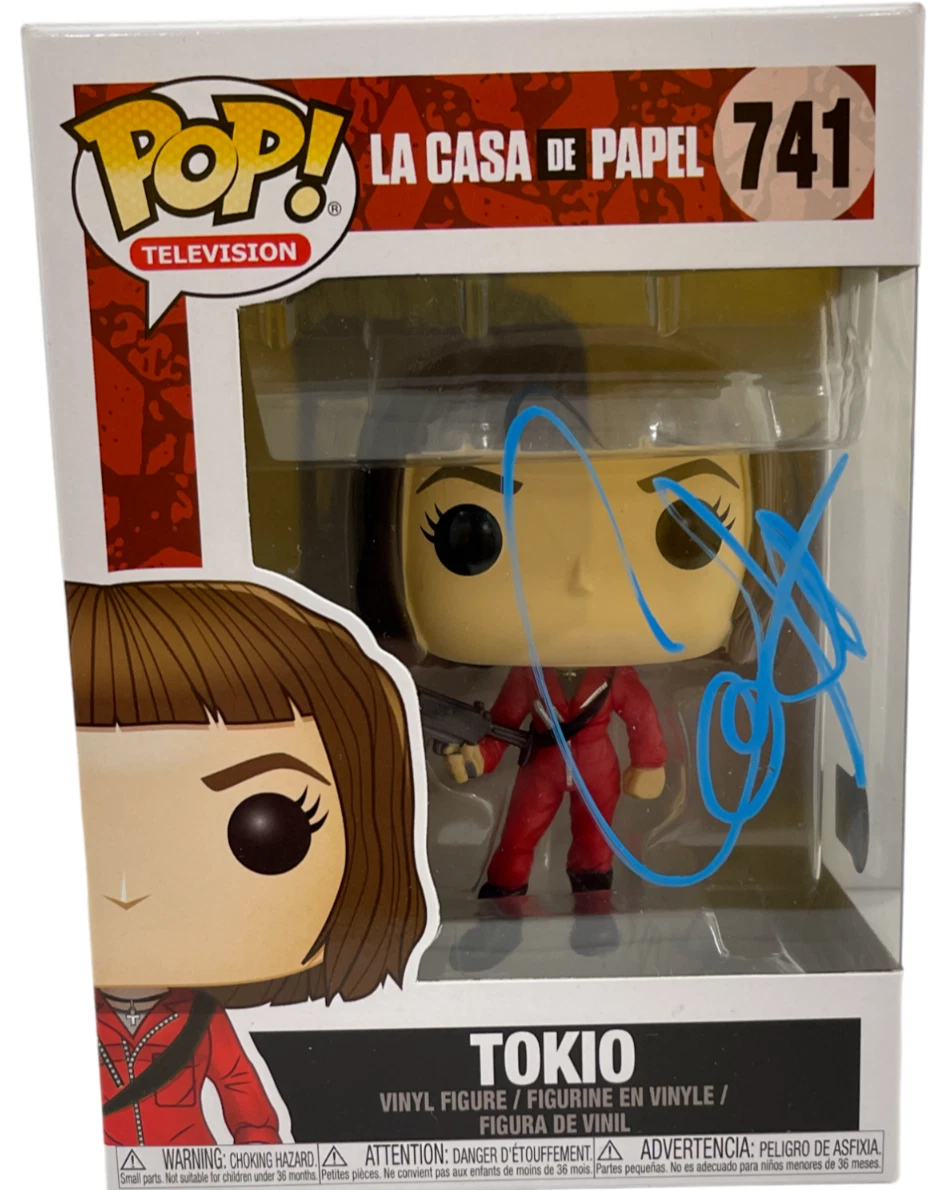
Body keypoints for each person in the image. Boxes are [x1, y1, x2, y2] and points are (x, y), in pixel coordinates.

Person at [68, 579, 428, 1144]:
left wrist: (259, 1162)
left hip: (192, 1169)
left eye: (266, 830)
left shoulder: (201, 1021)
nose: (127, 890)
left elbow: (246, 1101)